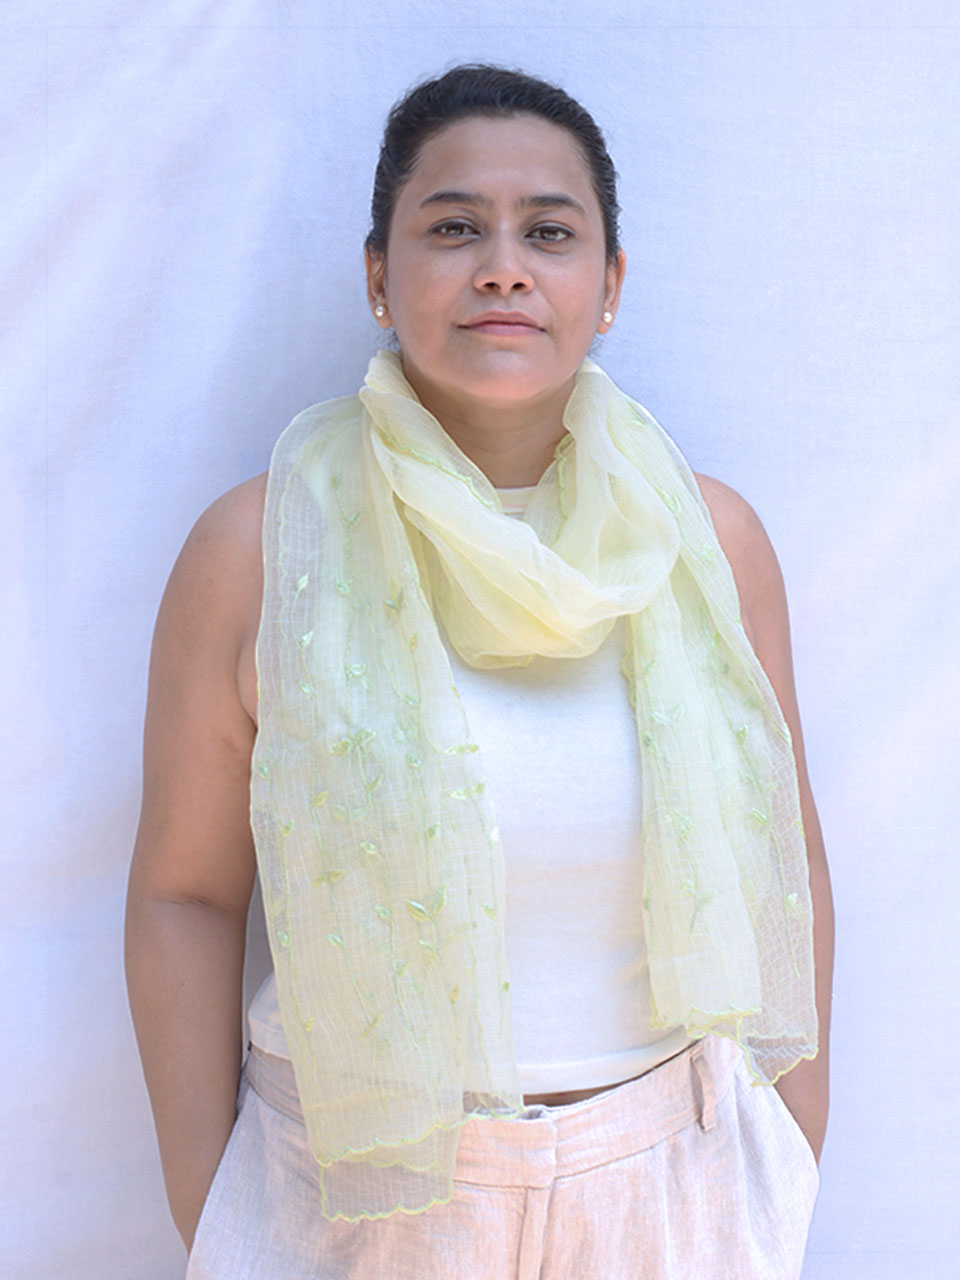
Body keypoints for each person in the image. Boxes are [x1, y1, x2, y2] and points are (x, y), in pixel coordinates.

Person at [125, 64, 833, 1279]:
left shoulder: (710, 546)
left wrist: (789, 1161)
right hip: (355, 1198)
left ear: (607, 288)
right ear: (377, 277)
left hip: (671, 1193)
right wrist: (221, 1214)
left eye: (549, 232)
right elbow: (185, 893)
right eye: (454, 227)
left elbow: (790, 858)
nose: (502, 264)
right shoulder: (257, 550)